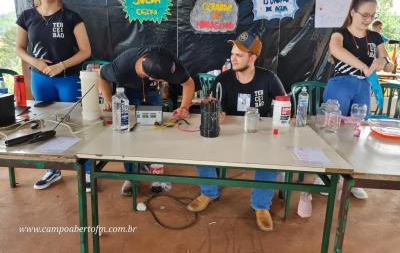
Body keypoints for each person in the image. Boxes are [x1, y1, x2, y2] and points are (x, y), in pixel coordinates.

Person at [186, 31, 286, 232]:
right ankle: (209, 191)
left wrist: (278, 120)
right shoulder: (223, 78)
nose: (233, 58)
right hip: (228, 132)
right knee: (202, 147)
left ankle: (261, 205)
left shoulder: (269, 78)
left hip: (259, 133)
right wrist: (215, 112)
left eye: (239, 55)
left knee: (270, 157)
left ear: (253, 57)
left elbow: (284, 105)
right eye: (232, 53)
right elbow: (213, 104)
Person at [15, 0, 91, 191]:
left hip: (68, 79)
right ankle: (52, 169)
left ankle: (85, 171)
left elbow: (86, 51)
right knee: (47, 123)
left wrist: (61, 65)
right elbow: (19, 48)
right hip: (41, 80)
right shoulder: (26, 17)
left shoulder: (71, 17)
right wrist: (35, 62)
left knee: (76, 124)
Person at [322, 0, 394, 199]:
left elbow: (385, 60)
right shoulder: (340, 33)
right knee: (331, 129)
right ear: (353, 12)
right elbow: (336, 50)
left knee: (356, 134)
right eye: (364, 14)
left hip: (363, 87)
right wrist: (364, 66)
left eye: (372, 15)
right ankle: (324, 175)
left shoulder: (375, 37)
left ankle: (351, 180)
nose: (368, 19)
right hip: (340, 85)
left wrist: (385, 64)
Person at [98, 46, 195, 195]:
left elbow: (188, 83)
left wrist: (184, 107)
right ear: (148, 76)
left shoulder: (169, 62)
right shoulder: (121, 67)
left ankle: (155, 171)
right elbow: (102, 76)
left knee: (155, 133)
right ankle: (131, 176)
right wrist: (107, 99)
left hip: (151, 94)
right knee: (128, 137)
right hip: (126, 95)